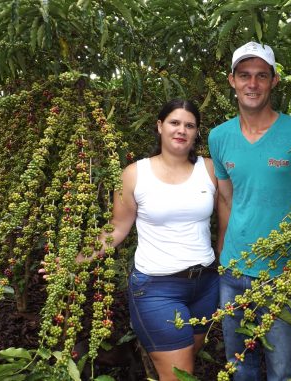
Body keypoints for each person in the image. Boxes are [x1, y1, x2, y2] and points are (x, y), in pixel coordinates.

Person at [207, 41, 291, 381]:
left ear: (274, 81)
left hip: (280, 272)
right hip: (233, 272)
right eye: (244, 75)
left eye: (261, 76)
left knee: (283, 369)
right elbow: (226, 200)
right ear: (231, 80)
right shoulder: (219, 137)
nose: (253, 84)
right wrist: (222, 256)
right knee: (239, 366)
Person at [80, 99, 219, 381]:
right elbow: (116, 229)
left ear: (196, 133)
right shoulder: (135, 173)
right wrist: (73, 259)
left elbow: (232, 213)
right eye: (174, 123)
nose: (181, 130)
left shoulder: (210, 170)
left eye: (189, 125)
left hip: (206, 285)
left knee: (182, 365)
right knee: (181, 376)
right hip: (157, 288)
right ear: (159, 126)